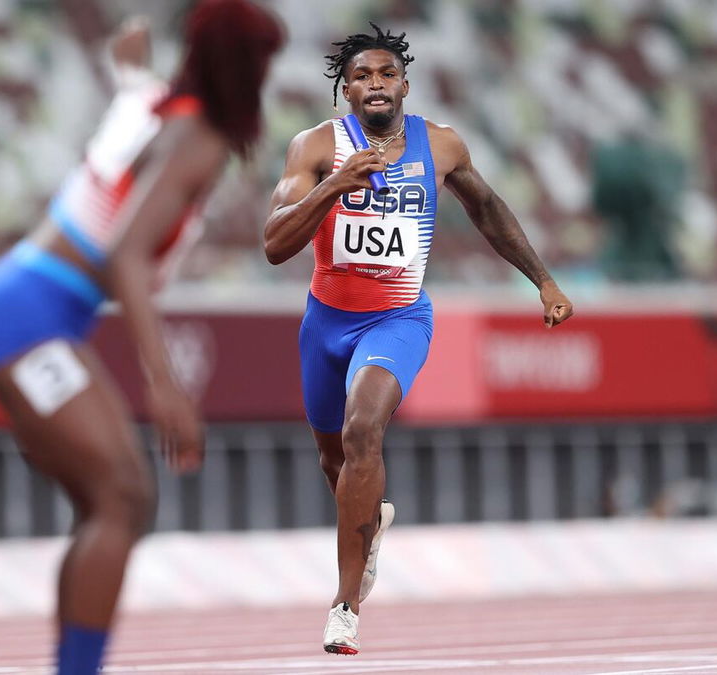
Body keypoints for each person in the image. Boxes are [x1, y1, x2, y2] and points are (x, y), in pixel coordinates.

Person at [0, 3, 283, 673]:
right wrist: (165, 383)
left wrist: (127, 62)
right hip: (25, 319)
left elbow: (134, 87)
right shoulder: (201, 137)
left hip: (27, 309)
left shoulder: (162, 105)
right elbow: (125, 253)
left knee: (109, 502)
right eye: (262, 64)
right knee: (123, 496)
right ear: (243, 69)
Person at [263, 23, 574, 655]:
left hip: (398, 318)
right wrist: (332, 187)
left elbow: (488, 210)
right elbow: (273, 245)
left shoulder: (442, 145)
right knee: (333, 459)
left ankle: (344, 605)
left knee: (361, 431)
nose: (374, 84)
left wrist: (542, 280)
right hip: (325, 324)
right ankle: (369, 523)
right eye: (360, 77)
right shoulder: (315, 148)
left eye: (385, 74)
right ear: (344, 93)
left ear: (404, 83)